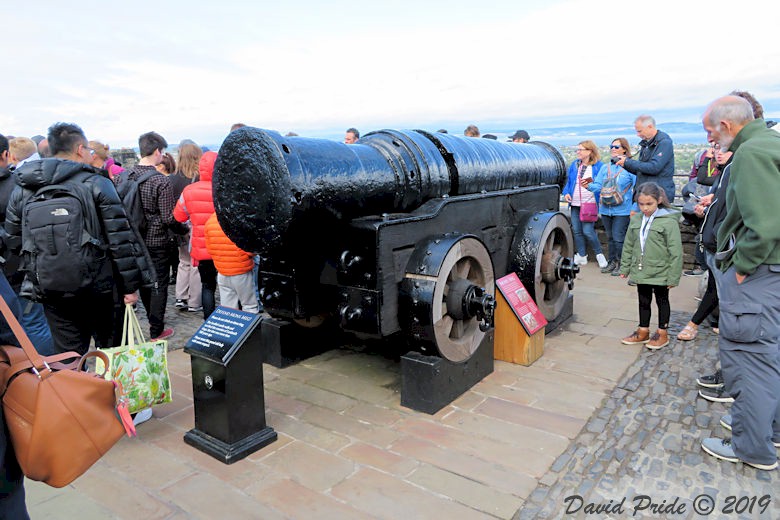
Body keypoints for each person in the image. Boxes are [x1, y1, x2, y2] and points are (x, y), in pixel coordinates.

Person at [4, 122, 147, 355]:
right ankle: (106, 389)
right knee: (111, 352)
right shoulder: (97, 182)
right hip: (101, 288)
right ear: (80, 149)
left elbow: (13, 241)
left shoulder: (23, 188)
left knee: (68, 355)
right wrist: (130, 287)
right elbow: (120, 240)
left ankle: (73, 389)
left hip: (51, 289)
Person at [698, 95, 780, 471]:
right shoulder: (769, 145)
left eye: (712, 131)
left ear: (727, 126)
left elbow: (764, 226)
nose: (712, 139)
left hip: (760, 275)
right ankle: (770, 431)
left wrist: (743, 267)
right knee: (769, 357)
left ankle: (752, 448)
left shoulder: (749, 155)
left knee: (749, 362)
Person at [123, 131, 179, 341]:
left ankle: (148, 322)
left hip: (131, 239)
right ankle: (156, 330)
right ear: (157, 151)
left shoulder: (124, 176)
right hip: (155, 241)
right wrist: (183, 229)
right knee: (157, 285)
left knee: (141, 281)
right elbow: (168, 217)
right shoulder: (160, 181)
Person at [676, 146, 732, 343]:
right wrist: (706, 206)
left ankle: (695, 324)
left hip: (723, 241)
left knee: (716, 286)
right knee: (714, 285)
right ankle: (715, 320)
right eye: (716, 148)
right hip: (712, 238)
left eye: (723, 149)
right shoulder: (724, 173)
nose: (717, 152)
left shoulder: (733, 171)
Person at [619, 182, 682, 350]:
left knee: (662, 300)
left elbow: (676, 251)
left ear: (659, 200)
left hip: (662, 270)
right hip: (641, 268)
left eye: (649, 204)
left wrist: (673, 276)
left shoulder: (668, 222)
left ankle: (662, 332)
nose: (645, 208)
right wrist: (624, 267)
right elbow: (629, 244)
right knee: (643, 300)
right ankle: (643, 330)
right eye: (641, 204)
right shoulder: (636, 219)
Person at [174, 152, 218, 319]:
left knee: (207, 285)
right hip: (223, 244)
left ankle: (208, 319)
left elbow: (179, 216)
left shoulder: (189, 191)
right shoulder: (223, 190)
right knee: (231, 287)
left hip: (201, 245)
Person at [586, 138, 635, 275]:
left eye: (616, 147)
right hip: (606, 208)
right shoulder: (605, 167)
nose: (613, 149)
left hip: (623, 209)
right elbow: (598, 186)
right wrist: (589, 186)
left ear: (624, 149)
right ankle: (612, 262)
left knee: (619, 237)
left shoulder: (630, 167)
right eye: (611, 146)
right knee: (610, 237)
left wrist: (635, 207)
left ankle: (622, 264)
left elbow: (637, 187)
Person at [562, 140, 608, 268]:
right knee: (576, 230)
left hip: (589, 203)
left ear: (589, 151)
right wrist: (566, 192)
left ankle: (599, 254)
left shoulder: (599, 166)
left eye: (580, 149)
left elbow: (601, 186)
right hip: (575, 202)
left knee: (588, 231)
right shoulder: (575, 164)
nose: (578, 152)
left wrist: (590, 186)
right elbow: (570, 182)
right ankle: (582, 256)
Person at [169, 142, 203, 312]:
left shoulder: (171, 178)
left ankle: (181, 296)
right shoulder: (198, 178)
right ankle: (194, 301)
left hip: (179, 225)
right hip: (195, 226)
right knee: (195, 264)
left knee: (183, 261)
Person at [615, 115, 675, 208]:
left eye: (640, 131)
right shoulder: (647, 143)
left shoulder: (664, 142)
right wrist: (625, 164)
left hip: (657, 196)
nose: (638, 135)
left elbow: (654, 167)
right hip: (645, 193)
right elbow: (641, 169)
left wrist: (628, 162)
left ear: (650, 126)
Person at [204, 213, 260, 313]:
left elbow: (209, 249)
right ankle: (251, 328)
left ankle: (231, 327)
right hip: (241, 269)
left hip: (222, 270)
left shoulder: (211, 220)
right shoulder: (239, 219)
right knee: (249, 305)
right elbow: (249, 248)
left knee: (228, 308)